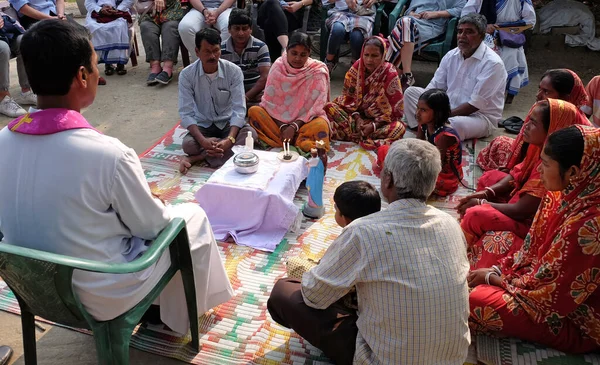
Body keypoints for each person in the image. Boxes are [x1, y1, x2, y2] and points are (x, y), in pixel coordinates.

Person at [0, 20, 233, 336]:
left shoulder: (3, 140)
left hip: (32, 287)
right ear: (82, 76)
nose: (98, 74)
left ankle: (167, 310)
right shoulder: (107, 153)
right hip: (100, 293)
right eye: (96, 65)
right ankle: (177, 320)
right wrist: (153, 204)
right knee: (189, 219)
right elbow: (152, 226)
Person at [268, 139, 471, 365]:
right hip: (453, 358)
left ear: (388, 180)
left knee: (283, 291)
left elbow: (314, 296)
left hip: (382, 360)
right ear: (432, 183)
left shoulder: (362, 232)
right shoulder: (451, 224)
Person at [468, 125, 600, 354]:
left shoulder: (590, 226)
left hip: (577, 319)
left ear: (574, 172)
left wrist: (494, 278)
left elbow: (550, 298)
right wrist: (501, 271)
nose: (539, 170)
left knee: (475, 301)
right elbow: (532, 253)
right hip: (539, 284)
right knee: (497, 240)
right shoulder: (565, 194)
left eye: (546, 164)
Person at [457, 99, 591, 269]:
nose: (525, 126)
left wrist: (482, 203)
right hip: (524, 207)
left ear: (553, 127)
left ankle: (462, 256)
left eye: (533, 123)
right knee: (489, 179)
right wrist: (488, 193)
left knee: (476, 215)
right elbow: (517, 172)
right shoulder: (541, 149)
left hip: (531, 225)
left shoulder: (558, 166)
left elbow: (522, 210)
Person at [403, 13, 506, 140]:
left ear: (481, 36)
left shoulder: (493, 64)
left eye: (469, 32)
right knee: (411, 93)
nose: (462, 36)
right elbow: (434, 87)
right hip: (446, 108)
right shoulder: (451, 55)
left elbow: (474, 105)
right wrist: (427, 109)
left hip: (478, 117)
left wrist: (440, 116)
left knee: (452, 125)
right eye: (460, 32)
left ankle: (431, 128)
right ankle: (423, 128)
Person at [477, 69, 589, 171]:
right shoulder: (543, 108)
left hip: (553, 168)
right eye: (539, 89)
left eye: (546, 92)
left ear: (565, 97)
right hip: (537, 157)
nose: (538, 95)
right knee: (499, 142)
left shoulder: (573, 127)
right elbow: (529, 144)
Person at [178, 28, 257, 172]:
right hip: (203, 124)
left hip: (227, 123)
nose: (213, 56)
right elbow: (186, 113)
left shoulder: (233, 71)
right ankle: (222, 152)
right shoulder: (187, 75)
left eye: (216, 50)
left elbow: (239, 109)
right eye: (207, 51)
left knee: (250, 136)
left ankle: (198, 157)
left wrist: (230, 140)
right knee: (189, 145)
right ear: (197, 51)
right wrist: (202, 140)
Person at [248, 31, 330, 153]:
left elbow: (317, 107)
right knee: (254, 112)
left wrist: (294, 127)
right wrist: (283, 127)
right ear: (287, 50)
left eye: (303, 55)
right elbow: (269, 104)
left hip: (304, 123)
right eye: (294, 53)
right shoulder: (278, 67)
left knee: (321, 125)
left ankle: (287, 140)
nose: (297, 58)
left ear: (309, 54)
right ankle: (299, 141)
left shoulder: (317, 71)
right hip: (278, 123)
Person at [324, 36, 405, 150]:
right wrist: (357, 118)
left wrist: (373, 126)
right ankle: (361, 136)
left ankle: (353, 136)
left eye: (374, 56)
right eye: (366, 55)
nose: (369, 60)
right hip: (353, 120)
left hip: (378, 123)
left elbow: (394, 111)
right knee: (329, 107)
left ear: (383, 56)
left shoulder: (390, 73)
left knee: (398, 128)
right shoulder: (356, 68)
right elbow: (347, 100)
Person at [461, 0, 536, 104]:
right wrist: (484, 26)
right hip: (484, 33)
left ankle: (506, 92)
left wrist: (504, 28)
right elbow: (466, 14)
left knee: (511, 53)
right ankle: (477, 91)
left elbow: (530, 21)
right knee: (480, 52)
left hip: (510, 35)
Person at [385, 0, 466, 89]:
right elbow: (410, 9)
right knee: (405, 24)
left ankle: (395, 78)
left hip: (432, 26)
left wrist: (437, 14)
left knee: (401, 33)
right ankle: (405, 76)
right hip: (412, 22)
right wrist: (411, 13)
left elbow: (462, 9)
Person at [416, 89, 462, 196]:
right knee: (388, 152)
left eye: (423, 110)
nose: (417, 113)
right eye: (417, 108)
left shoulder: (444, 136)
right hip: (427, 162)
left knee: (413, 179)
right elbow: (416, 146)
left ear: (437, 113)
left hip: (444, 175)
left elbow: (435, 166)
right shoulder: (424, 124)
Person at [220, 9, 270, 105]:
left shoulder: (261, 47)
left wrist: (246, 97)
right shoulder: (221, 50)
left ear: (251, 29)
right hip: (231, 95)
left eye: (244, 28)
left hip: (256, 94)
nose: (241, 33)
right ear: (229, 29)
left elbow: (265, 77)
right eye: (237, 28)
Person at [139, 0, 186, 86]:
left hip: (174, 9)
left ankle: (168, 67)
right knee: (146, 26)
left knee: (170, 27)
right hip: (152, 11)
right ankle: (155, 65)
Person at [256, 0, 320, 61]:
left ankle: (276, 61)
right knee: (272, 2)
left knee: (270, 23)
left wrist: (300, 4)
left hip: (291, 13)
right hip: (266, 10)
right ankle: (286, 48)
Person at [323, 0, 377, 72]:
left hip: (364, 13)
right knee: (337, 29)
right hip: (340, 12)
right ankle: (329, 61)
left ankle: (355, 65)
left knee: (357, 36)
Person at [0, 11, 36, 117]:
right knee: (2, 49)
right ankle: (3, 98)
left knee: (24, 40)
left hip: (4, 33)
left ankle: (26, 91)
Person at [85, 0, 133, 76]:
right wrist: (100, 9)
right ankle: (108, 62)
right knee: (92, 26)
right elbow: (89, 2)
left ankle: (120, 62)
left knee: (119, 26)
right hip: (97, 12)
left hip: (119, 10)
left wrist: (116, 9)